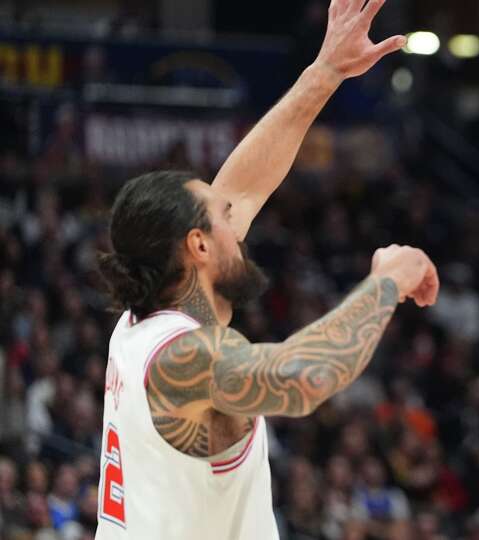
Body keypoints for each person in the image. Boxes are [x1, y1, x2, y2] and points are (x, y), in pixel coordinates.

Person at [93, 1, 439, 539]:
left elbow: (245, 184)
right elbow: (303, 380)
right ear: (198, 247)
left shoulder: (137, 329)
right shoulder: (187, 358)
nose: (240, 221)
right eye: (224, 218)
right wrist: (387, 283)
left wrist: (326, 72)